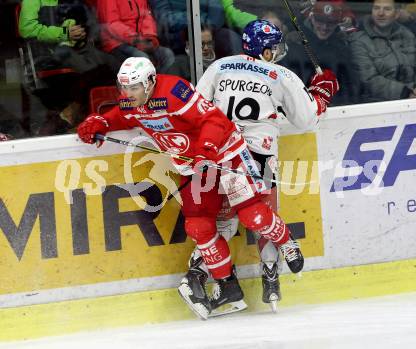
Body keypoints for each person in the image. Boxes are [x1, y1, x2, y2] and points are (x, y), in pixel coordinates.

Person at [75, 54, 335, 319]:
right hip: (195, 166)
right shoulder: (132, 101)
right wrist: (102, 122)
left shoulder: (174, 92)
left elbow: (212, 120)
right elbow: (123, 115)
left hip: (225, 153)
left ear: (151, 81)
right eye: (124, 87)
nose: (128, 93)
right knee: (198, 226)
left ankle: (285, 240)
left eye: (134, 87)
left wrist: (207, 149)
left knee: (251, 214)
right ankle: (227, 287)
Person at [180, 19, 339, 314]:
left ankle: (208, 277)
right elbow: (307, 120)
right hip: (258, 156)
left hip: (219, 152)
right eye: (274, 47)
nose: (276, 52)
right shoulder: (281, 75)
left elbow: (197, 108)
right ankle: (270, 276)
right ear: (266, 51)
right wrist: (322, 93)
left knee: (222, 221)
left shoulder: (220, 66)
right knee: (262, 216)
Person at [18, 0, 118, 134]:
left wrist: (80, 32)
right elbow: (27, 29)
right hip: (49, 53)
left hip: (73, 48)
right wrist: (64, 33)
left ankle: (74, 112)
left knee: (112, 64)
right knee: (95, 69)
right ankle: (72, 113)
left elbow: (81, 23)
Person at [281, 1, 359, 106]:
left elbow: (349, 89)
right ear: (312, 18)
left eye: (330, 23)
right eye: (320, 21)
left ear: (337, 23)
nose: (324, 27)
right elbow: (285, 85)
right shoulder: (295, 43)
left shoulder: (343, 50)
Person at [349, 0, 416, 102]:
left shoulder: (407, 35)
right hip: (379, 104)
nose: (380, 13)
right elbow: (368, 80)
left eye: (387, 9)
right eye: (376, 8)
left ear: (397, 14)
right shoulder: (359, 41)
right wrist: (405, 92)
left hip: (413, 99)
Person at [95, 0, 175, 73]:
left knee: (167, 54)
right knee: (142, 59)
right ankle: (146, 87)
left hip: (140, 39)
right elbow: (111, 24)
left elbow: (146, 16)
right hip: (116, 42)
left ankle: (161, 85)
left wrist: (149, 37)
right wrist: (135, 39)